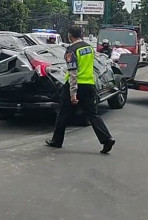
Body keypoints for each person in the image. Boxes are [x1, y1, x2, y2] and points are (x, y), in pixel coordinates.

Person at [46, 25, 115, 154]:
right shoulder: (89, 47)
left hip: (76, 85)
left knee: (62, 113)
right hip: (89, 84)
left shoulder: (71, 50)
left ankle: (57, 141)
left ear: (70, 35)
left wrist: (73, 94)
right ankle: (107, 139)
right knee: (92, 114)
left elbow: (73, 72)